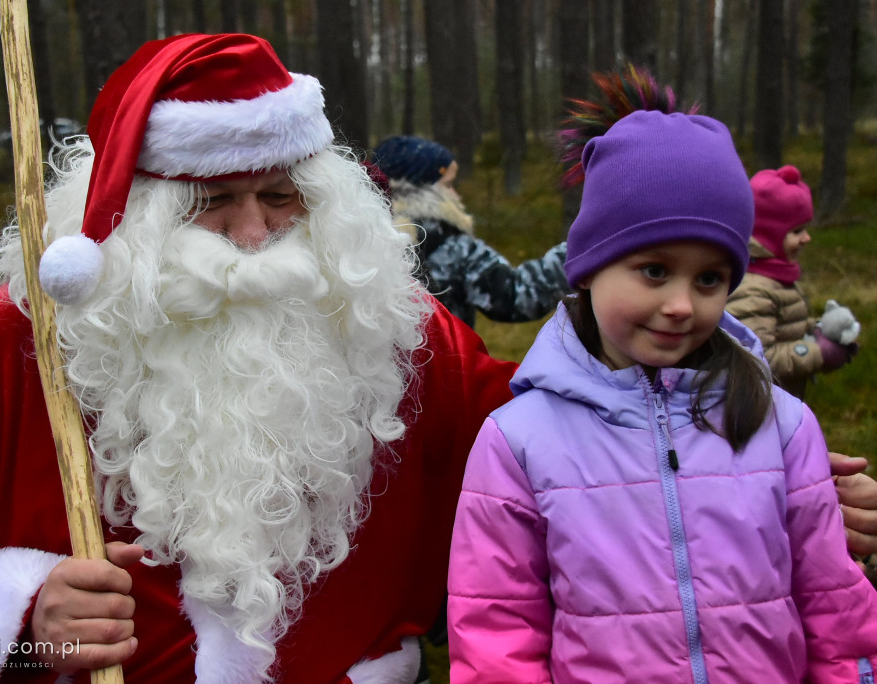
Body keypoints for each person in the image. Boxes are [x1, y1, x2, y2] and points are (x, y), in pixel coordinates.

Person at [0, 34, 517, 684]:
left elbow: (538, 459)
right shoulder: (17, 341)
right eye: (212, 202)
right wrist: (28, 612)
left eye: (280, 197)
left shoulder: (394, 330)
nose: (254, 236)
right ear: (137, 213)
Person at [446, 110, 877, 683]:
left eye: (709, 279)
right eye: (654, 270)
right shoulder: (518, 441)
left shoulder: (783, 424)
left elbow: (835, 609)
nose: (682, 304)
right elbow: (496, 630)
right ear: (588, 270)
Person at [371, 135, 569, 328]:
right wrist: (576, 252)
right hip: (448, 360)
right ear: (423, 191)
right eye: (448, 185)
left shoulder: (363, 242)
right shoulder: (452, 246)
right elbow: (514, 296)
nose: (456, 194)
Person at [726, 165, 858, 398]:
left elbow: (784, 326)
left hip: (777, 408)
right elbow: (757, 358)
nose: (807, 238)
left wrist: (820, 330)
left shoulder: (775, 277)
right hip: (758, 413)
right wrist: (818, 352)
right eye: (797, 231)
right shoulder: (752, 290)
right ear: (768, 235)